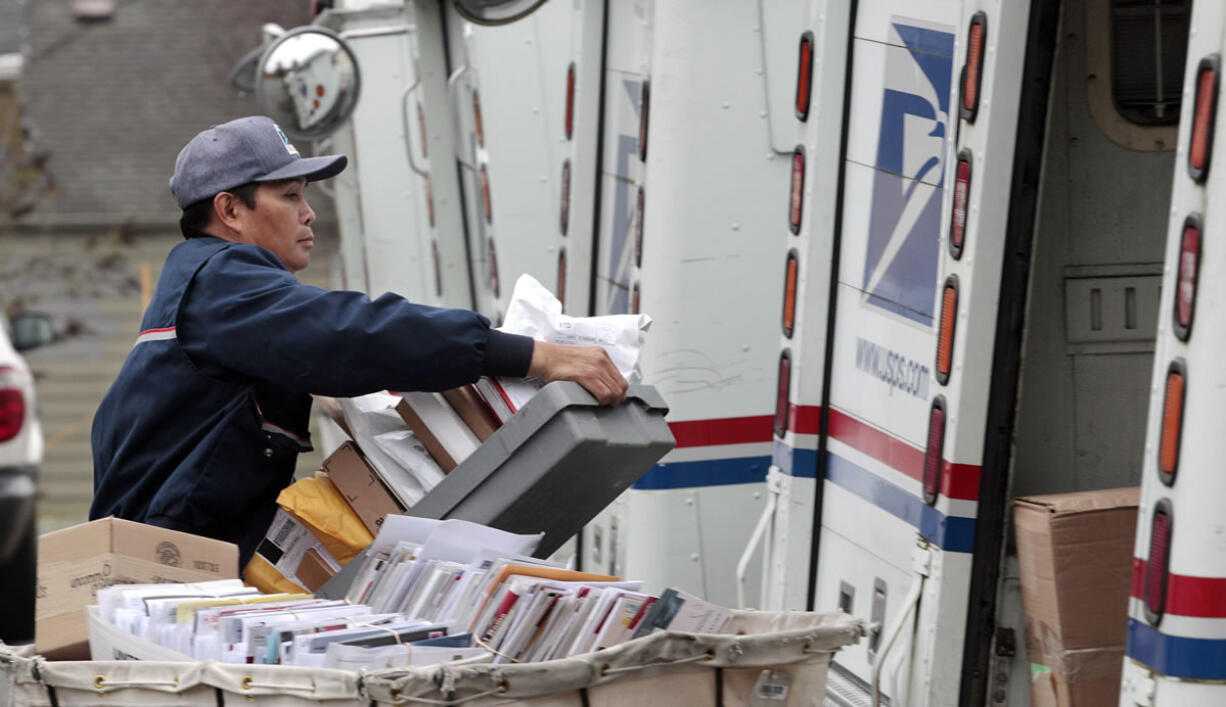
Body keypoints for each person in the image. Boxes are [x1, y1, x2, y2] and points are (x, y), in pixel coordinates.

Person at [90, 116, 626, 564]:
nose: (309, 212)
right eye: (290, 195)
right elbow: (358, 333)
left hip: (160, 560)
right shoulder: (222, 282)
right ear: (230, 211)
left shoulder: (199, 290)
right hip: (166, 574)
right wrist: (533, 356)